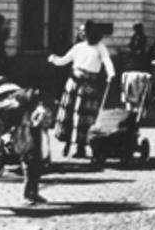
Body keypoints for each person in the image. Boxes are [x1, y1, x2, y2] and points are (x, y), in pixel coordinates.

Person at [48, 20, 115, 159]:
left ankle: (81, 148)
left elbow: (107, 60)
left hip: (88, 86)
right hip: (73, 83)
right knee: (68, 115)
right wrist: (54, 59)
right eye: (82, 31)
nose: (83, 33)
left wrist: (111, 73)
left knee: (83, 117)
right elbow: (64, 60)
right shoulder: (78, 47)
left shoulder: (100, 47)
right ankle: (67, 144)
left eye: (86, 31)